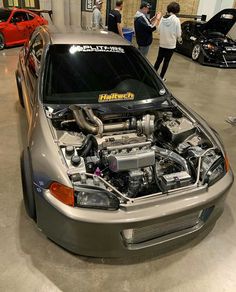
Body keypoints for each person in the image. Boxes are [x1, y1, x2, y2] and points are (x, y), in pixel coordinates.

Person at [154, 1, 182, 81]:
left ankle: (153, 76)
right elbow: (178, 34)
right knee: (166, 62)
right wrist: (179, 38)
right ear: (177, 10)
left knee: (158, 60)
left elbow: (158, 30)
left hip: (162, 44)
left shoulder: (163, 18)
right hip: (171, 45)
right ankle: (161, 78)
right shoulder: (176, 20)